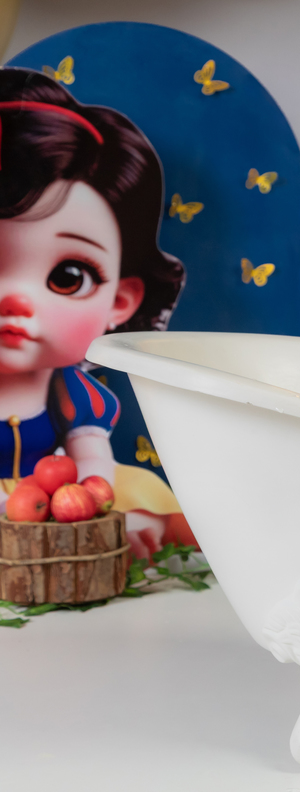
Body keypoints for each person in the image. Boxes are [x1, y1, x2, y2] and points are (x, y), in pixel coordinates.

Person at [0, 68, 190, 558]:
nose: (14, 300)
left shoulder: (71, 393)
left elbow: (92, 461)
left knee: (143, 502)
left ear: (120, 301)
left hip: (58, 510)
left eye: (68, 277)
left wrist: (84, 502)